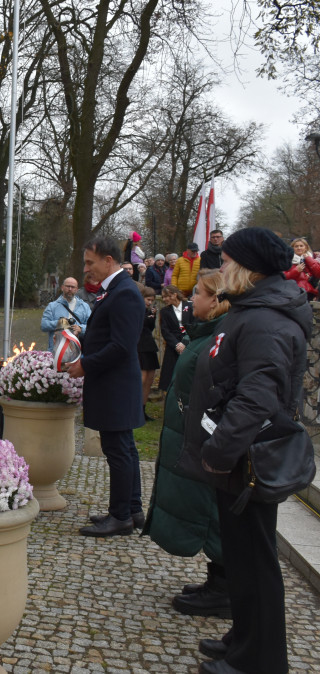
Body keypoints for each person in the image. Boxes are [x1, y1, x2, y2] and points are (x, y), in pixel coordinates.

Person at [181, 228, 310, 674]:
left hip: (247, 457)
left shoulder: (266, 321)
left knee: (255, 562)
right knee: (241, 558)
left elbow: (258, 397)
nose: (222, 269)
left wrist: (219, 450)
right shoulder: (253, 310)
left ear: (251, 269)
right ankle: (244, 640)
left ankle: (259, 662)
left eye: (230, 262)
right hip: (238, 457)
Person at [143, 270, 232, 621]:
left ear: (217, 300)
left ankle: (224, 589)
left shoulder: (220, 338)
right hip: (190, 439)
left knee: (212, 513)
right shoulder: (205, 333)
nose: (190, 299)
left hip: (204, 443)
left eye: (197, 294)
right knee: (205, 510)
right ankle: (217, 580)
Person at [67, 236, 145, 537]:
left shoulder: (123, 292)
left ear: (108, 261)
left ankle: (121, 516)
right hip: (115, 384)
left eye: (90, 262)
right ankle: (132, 509)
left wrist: (85, 364)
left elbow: (121, 346)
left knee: (118, 450)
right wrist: (79, 341)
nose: (86, 269)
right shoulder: (115, 290)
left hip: (116, 386)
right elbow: (106, 335)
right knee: (125, 448)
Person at [157, 285, 192, 393]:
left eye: (166, 296)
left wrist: (185, 342)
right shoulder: (165, 311)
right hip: (173, 347)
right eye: (163, 297)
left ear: (174, 294)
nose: (164, 299)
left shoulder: (190, 306)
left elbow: (195, 324)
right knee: (170, 374)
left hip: (190, 344)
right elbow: (165, 331)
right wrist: (177, 345)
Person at [40, 276, 90, 350]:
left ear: (77, 289)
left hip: (77, 350)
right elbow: (44, 325)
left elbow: (93, 326)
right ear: (62, 287)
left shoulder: (84, 307)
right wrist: (60, 323)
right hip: (56, 350)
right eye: (68, 286)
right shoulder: (52, 306)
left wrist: (81, 328)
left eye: (73, 287)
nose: (70, 289)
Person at [137, 284, 159, 421]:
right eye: (148, 299)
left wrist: (153, 317)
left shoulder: (149, 311)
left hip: (149, 345)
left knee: (149, 379)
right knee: (142, 378)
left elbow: (150, 328)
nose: (149, 302)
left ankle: (143, 409)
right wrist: (148, 317)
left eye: (151, 300)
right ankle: (135, 409)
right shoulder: (137, 309)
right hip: (139, 346)